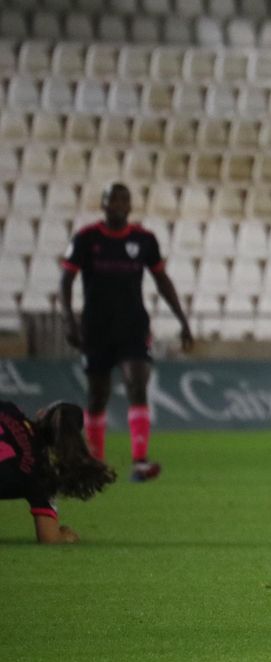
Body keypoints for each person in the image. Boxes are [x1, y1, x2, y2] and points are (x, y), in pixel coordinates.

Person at [58, 182, 195, 481]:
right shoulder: (86, 238)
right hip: (96, 329)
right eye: (113, 199)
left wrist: (182, 320)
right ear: (103, 204)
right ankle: (95, 462)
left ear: (130, 206)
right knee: (97, 395)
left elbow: (162, 280)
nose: (118, 205)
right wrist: (68, 320)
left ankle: (140, 461)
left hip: (133, 327)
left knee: (137, 384)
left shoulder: (144, 240)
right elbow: (66, 279)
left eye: (123, 200)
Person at [0, 400, 115, 543]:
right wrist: (68, 536)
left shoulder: (9, 409)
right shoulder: (41, 473)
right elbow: (50, 538)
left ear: (41, 413)